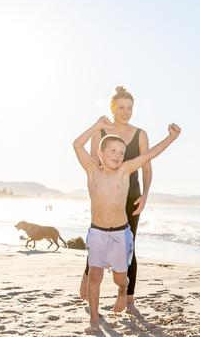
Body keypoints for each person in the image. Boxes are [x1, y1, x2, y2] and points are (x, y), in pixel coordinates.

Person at [73, 116, 180, 333]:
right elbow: (76, 144)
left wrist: (171, 137)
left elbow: (150, 154)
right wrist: (97, 126)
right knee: (95, 275)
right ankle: (94, 317)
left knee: (120, 277)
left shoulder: (125, 171)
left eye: (121, 153)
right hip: (97, 232)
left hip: (120, 234)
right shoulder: (92, 169)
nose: (118, 156)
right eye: (112, 151)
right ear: (100, 153)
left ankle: (123, 291)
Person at [78, 86, 152, 315]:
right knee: (98, 238)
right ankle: (88, 275)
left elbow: (147, 167)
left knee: (130, 245)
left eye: (130, 108)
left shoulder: (140, 134)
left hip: (132, 196)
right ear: (112, 108)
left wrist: (146, 194)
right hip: (107, 196)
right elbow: (91, 163)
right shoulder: (100, 132)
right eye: (121, 107)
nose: (126, 112)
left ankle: (128, 298)